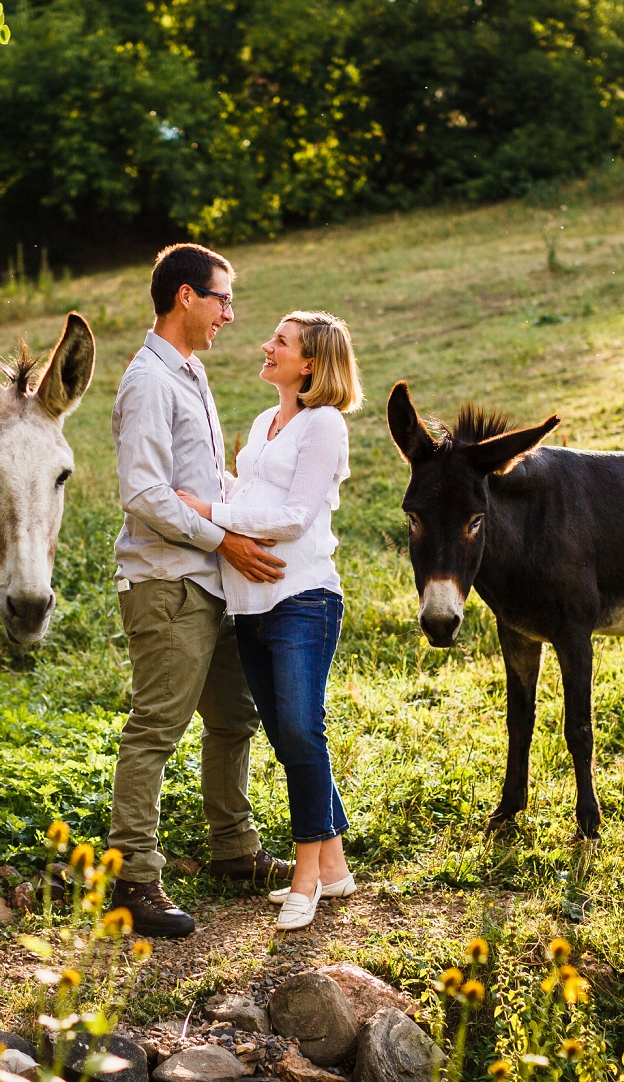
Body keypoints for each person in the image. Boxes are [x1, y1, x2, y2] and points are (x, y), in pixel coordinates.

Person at [106, 243, 298, 938]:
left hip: (211, 582)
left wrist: (253, 514)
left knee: (233, 718)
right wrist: (227, 541)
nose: (230, 313)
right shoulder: (149, 381)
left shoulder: (189, 373)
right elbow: (146, 492)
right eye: (223, 298)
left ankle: (234, 850)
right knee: (156, 725)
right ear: (186, 296)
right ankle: (132, 878)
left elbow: (205, 483)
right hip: (167, 584)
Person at [177, 311, 363, 930]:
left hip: (303, 598)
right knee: (288, 740)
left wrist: (210, 510)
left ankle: (307, 883)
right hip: (250, 605)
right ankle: (335, 867)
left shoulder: (325, 424)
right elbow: (245, 496)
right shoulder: (263, 423)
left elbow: (291, 517)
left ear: (310, 363)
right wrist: (211, 492)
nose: (266, 346)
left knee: (304, 733)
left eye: (279, 342)